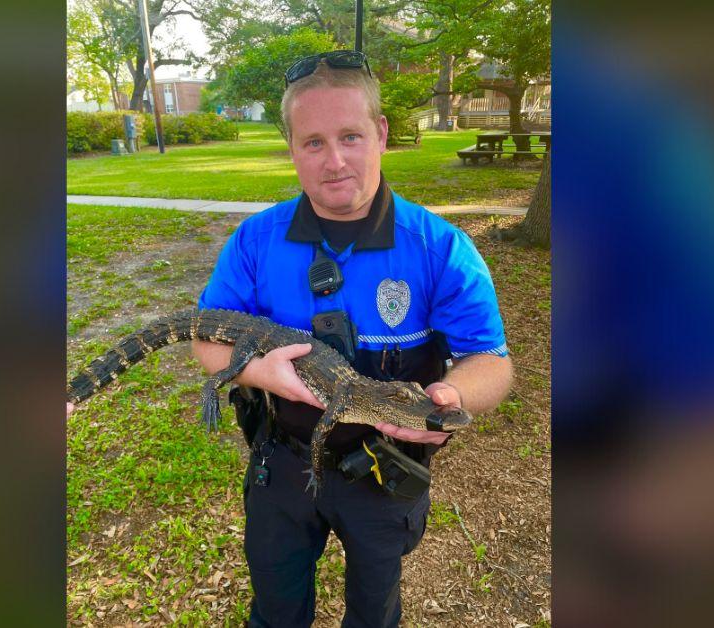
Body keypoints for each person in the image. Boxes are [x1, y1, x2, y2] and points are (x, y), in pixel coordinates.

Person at [192, 51, 514, 627]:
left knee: (374, 612)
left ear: (381, 134)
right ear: (290, 147)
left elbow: (490, 360)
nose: (335, 160)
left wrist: (452, 397)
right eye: (313, 142)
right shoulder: (254, 242)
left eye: (350, 135)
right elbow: (205, 339)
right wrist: (257, 373)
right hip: (283, 464)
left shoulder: (441, 248)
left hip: (384, 469)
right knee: (275, 613)